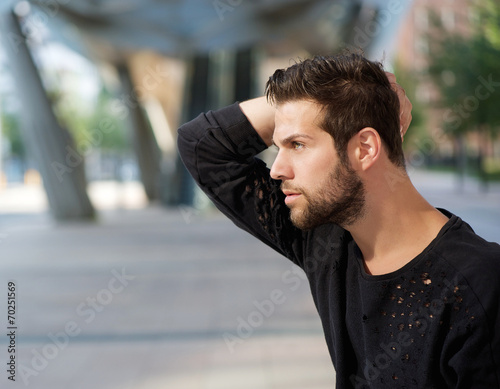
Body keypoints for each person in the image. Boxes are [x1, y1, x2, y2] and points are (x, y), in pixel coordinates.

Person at [177, 52, 500, 388]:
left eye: (298, 144)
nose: (276, 169)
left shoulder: (480, 287)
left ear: (364, 149)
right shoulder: (327, 240)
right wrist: (337, 102)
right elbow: (201, 146)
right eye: (278, 147)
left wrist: (346, 103)